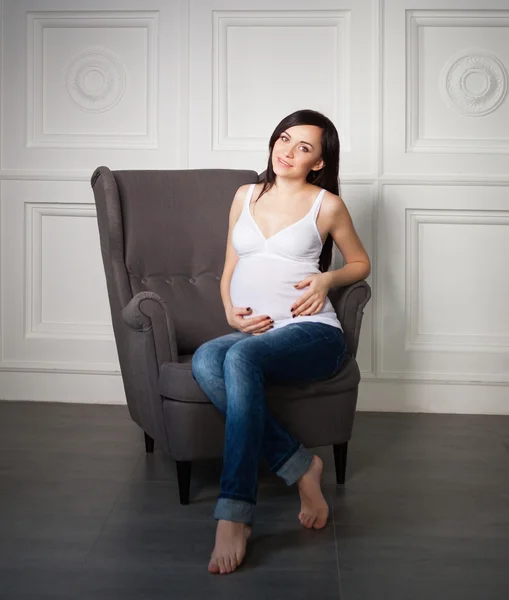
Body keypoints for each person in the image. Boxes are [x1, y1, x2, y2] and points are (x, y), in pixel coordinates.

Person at [191, 109, 371, 575]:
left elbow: (360, 263)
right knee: (209, 360)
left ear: (318, 162)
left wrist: (326, 280)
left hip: (313, 333)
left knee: (241, 359)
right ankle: (299, 465)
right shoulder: (245, 195)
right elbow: (230, 265)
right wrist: (229, 308)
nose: (287, 152)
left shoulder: (326, 204)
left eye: (303, 148)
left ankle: (234, 513)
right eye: (284, 140)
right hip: (258, 331)